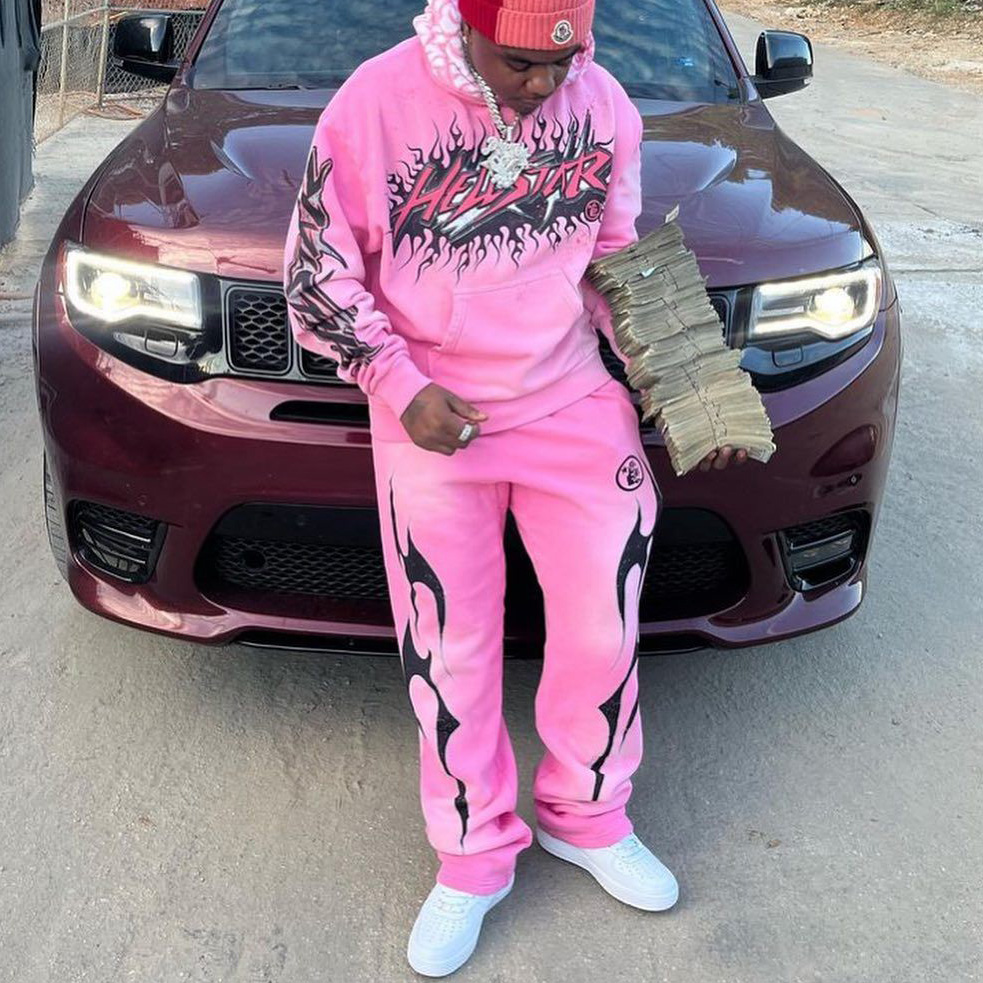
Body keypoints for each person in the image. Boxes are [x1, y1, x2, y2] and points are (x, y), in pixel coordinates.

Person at [282, 0, 748, 975]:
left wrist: (686, 378)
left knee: (603, 624)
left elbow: (613, 253)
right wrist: (398, 385)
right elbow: (318, 270)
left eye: (561, 62)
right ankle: (472, 854)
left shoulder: (604, 104)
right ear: (465, 25)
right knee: (448, 645)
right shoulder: (373, 102)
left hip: (569, 398)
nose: (543, 86)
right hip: (433, 412)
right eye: (518, 63)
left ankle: (587, 814)